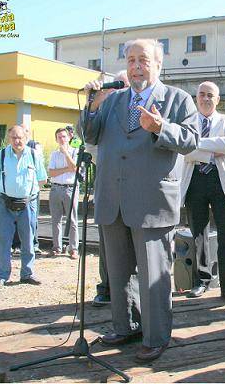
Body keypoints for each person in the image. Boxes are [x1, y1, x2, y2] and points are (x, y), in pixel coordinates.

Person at [82, 38, 198, 361]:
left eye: (143, 60)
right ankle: (126, 326)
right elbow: (89, 135)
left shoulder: (178, 99)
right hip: (113, 198)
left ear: (159, 64)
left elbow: (191, 141)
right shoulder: (112, 100)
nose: (135, 66)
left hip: (151, 200)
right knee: (118, 273)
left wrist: (161, 127)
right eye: (131, 60)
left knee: (153, 274)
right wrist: (93, 103)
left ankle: (157, 335)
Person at [181, 81, 225, 307]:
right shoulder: (186, 123)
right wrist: (210, 150)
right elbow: (183, 151)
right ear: (196, 98)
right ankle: (201, 280)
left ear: (217, 100)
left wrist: (198, 146)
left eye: (210, 95)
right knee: (198, 234)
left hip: (221, 181)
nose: (206, 98)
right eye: (202, 95)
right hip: (194, 181)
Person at [87, 69, 130, 307]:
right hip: (109, 183)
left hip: (134, 186)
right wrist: (93, 102)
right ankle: (106, 287)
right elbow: (89, 142)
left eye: (123, 85)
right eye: (116, 84)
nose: (119, 89)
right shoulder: (102, 109)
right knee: (107, 242)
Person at [0, 125, 47, 287]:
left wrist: (27, 192)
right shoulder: (1, 155)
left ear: (26, 138)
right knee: (3, 240)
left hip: (28, 203)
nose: (17, 141)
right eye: (13, 137)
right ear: (9, 139)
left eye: (20, 137)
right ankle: (1, 276)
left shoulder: (34, 156)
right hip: (5, 203)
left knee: (28, 240)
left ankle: (27, 274)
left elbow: (42, 180)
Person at [48, 128, 79, 259]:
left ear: (68, 138)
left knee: (72, 220)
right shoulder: (53, 154)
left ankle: (73, 248)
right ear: (56, 139)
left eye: (64, 136)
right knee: (56, 220)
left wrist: (66, 153)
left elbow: (75, 168)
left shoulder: (75, 152)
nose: (62, 139)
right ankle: (57, 247)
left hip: (70, 188)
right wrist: (67, 169)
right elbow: (51, 173)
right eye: (59, 137)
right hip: (55, 188)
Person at [12, 124, 43, 255]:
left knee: (32, 219)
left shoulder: (35, 147)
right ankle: (17, 245)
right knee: (15, 220)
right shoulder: (10, 150)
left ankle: (34, 244)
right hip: (16, 190)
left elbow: (41, 175)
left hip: (32, 191)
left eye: (25, 132)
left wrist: (34, 191)